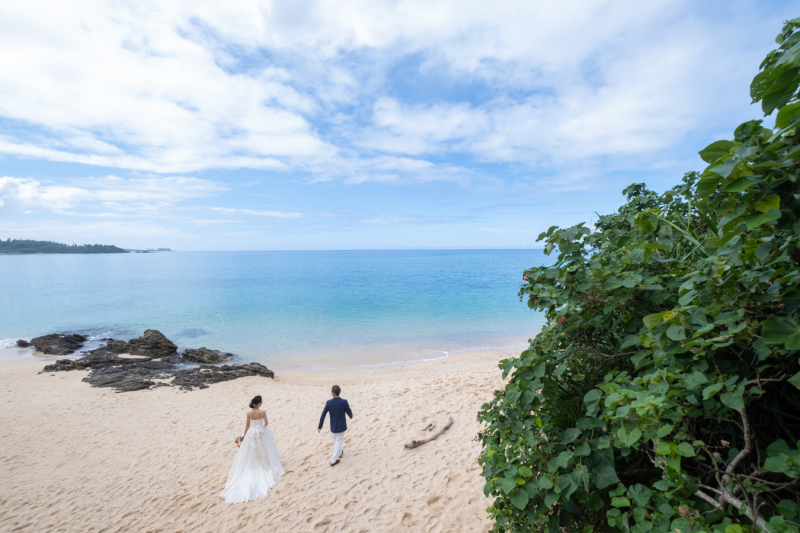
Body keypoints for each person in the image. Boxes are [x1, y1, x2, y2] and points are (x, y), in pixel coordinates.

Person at [220, 395, 285, 503]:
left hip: (251, 433)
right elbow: (266, 423)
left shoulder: (248, 413)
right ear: (259, 403)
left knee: (251, 452)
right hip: (260, 432)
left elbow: (247, 425)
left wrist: (245, 436)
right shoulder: (263, 412)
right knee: (265, 449)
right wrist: (262, 428)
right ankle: (266, 465)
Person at [318, 385, 353, 466]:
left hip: (333, 426)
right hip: (341, 426)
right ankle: (333, 460)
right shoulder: (344, 402)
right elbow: (348, 410)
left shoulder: (329, 403)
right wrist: (351, 416)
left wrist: (320, 425)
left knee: (336, 441)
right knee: (338, 442)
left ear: (333, 393)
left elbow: (323, 415)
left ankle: (340, 453)